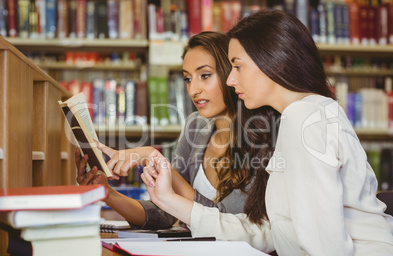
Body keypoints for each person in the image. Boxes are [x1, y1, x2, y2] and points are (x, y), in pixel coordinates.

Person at [141, 10, 393, 256]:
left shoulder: (306, 120)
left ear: (273, 61)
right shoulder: (297, 118)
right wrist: (168, 199)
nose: (231, 80)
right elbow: (267, 230)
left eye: (238, 66)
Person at [76, 31, 276, 232]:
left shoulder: (263, 137)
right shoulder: (195, 126)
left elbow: (225, 222)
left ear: (231, 74)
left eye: (205, 75)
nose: (193, 90)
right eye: (187, 79)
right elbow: (165, 212)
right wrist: (107, 193)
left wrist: (157, 160)